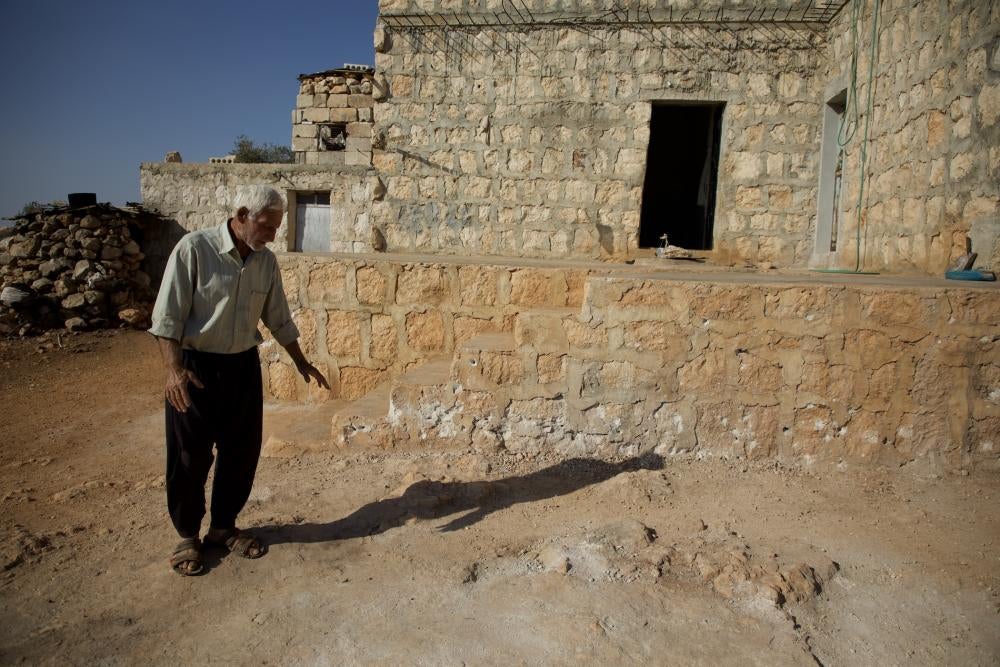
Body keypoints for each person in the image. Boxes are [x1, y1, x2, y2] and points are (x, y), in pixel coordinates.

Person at [148, 185, 329, 575]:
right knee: (188, 456)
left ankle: (222, 528)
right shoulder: (194, 250)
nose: (273, 234)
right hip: (194, 369)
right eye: (266, 225)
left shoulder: (266, 262)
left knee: (241, 452)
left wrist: (301, 361)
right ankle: (186, 536)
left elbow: (277, 317)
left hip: (241, 367)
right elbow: (167, 319)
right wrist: (173, 371)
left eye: (277, 227)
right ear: (243, 214)